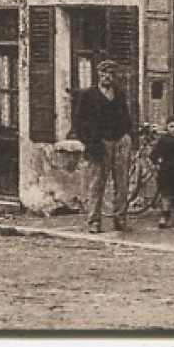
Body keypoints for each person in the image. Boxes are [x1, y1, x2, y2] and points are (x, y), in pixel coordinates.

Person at [71, 59, 134, 233]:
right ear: (99, 74)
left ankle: (120, 219)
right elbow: (79, 123)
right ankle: (94, 221)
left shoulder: (119, 94)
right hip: (99, 143)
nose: (108, 77)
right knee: (96, 184)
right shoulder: (88, 95)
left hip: (120, 142)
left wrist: (127, 136)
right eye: (105, 73)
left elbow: (126, 117)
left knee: (122, 184)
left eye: (112, 74)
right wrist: (91, 142)